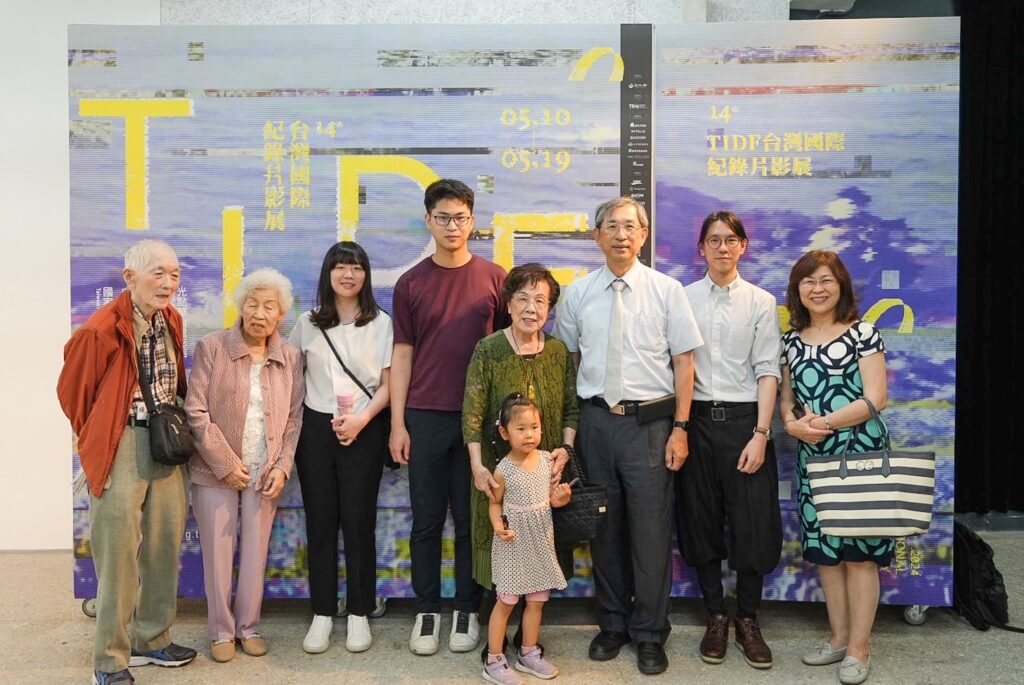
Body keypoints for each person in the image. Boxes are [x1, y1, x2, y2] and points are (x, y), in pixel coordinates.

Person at [552, 197, 703, 675]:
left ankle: (650, 632)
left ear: (644, 235)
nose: (621, 235)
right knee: (604, 529)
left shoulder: (666, 290)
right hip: (596, 423)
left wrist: (680, 428)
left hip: (650, 427)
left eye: (630, 226)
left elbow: (684, 364)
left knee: (651, 533)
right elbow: (570, 362)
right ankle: (613, 624)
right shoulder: (577, 294)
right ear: (597, 236)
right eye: (612, 226)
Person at [57, 239, 197, 685]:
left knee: (164, 545)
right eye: (158, 273)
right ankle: (109, 660)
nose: (168, 282)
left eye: (174, 274)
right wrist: (103, 434)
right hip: (121, 443)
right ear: (129, 277)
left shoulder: (171, 319)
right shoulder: (100, 329)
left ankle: (151, 639)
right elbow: (73, 395)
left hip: (164, 441)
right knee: (118, 554)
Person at [390, 178, 509, 656]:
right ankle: (426, 609)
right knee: (425, 520)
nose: (452, 226)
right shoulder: (411, 283)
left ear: (472, 221)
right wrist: (398, 423)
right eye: (443, 218)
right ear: (428, 221)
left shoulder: (495, 278)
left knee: (469, 520)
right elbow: (402, 355)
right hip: (425, 415)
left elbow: (507, 350)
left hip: (478, 421)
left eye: (460, 217)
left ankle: (466, 608)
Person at [675, 211, 782, 669]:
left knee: (752, 525)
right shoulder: (681, 298)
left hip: (745, 424)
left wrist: (761, 433)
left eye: (731, 239)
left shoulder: (761, 302)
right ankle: (716, 616)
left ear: (743, 247)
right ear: (701, 248)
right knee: (699, 522)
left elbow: (768, 370)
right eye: (714, 240)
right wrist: (679, 428)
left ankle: (748, 619)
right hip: (695, 421)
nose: (723, 247)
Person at [780, 250, 891, 685]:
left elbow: (876, 397)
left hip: (860, 452)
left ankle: (860, 648)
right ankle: (839, 638)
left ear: (841, 285)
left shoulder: (863, 333)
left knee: (859, 556)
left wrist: (824, 422)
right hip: (813, 456)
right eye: (808, 281)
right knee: (827, 555)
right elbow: (787, 399)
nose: (818, 288)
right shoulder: (791, 341)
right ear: (798, 290)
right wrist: (792, 424)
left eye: (826, 280)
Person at [185, 268, 304, 663]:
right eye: (253, 303)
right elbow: (195, 410)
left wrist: (281, 466)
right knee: (218, 554)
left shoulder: (290, 356)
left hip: (265, 469)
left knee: (256, 551)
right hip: (214, 469)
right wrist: (223, 462)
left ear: (281, 314)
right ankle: (221, 631)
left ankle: (249, 627)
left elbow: (294, 418)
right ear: (241, 306)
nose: (259, 313)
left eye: (269, 306)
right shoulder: (212, 347)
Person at [462, 263, 578, 658]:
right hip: (499, 477)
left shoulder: (558, 352)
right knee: (500, 548)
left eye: (541, 301)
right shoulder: (488, 350)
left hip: (544, 478)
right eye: (523, 299)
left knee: (540, 556)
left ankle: (528, 643)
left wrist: (566, 449)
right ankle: (494, 645)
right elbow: (472, 414)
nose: (532, 308)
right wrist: (478, 466)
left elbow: (571, 408)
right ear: (509, 304)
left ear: (550, 309)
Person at [290, 241, 393, 654]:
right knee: (319, 520)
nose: (348, 275)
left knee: (358, 520)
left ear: (366, 275)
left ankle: (359, 612)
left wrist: (362, 420)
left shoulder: (381, 323)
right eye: (340, 267)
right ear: (328, 274)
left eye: (356, 267)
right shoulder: (307, 323)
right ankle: (321, 612)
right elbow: (290, 378)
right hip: (315, 429)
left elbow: (389, 384)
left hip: (365, 426)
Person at [481, 394, 572, 685]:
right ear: (505, 432)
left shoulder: (547, 461)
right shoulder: (504, 469)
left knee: (536, 601)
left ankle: (529, 652)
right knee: (506, 601)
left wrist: (561, 499)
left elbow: (552, 501)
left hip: (540, 542)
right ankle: (494, 659)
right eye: (521, 429)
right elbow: (494, 503)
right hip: (513, 543)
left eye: (534, 427)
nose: (529, 434)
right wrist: (498, 525)